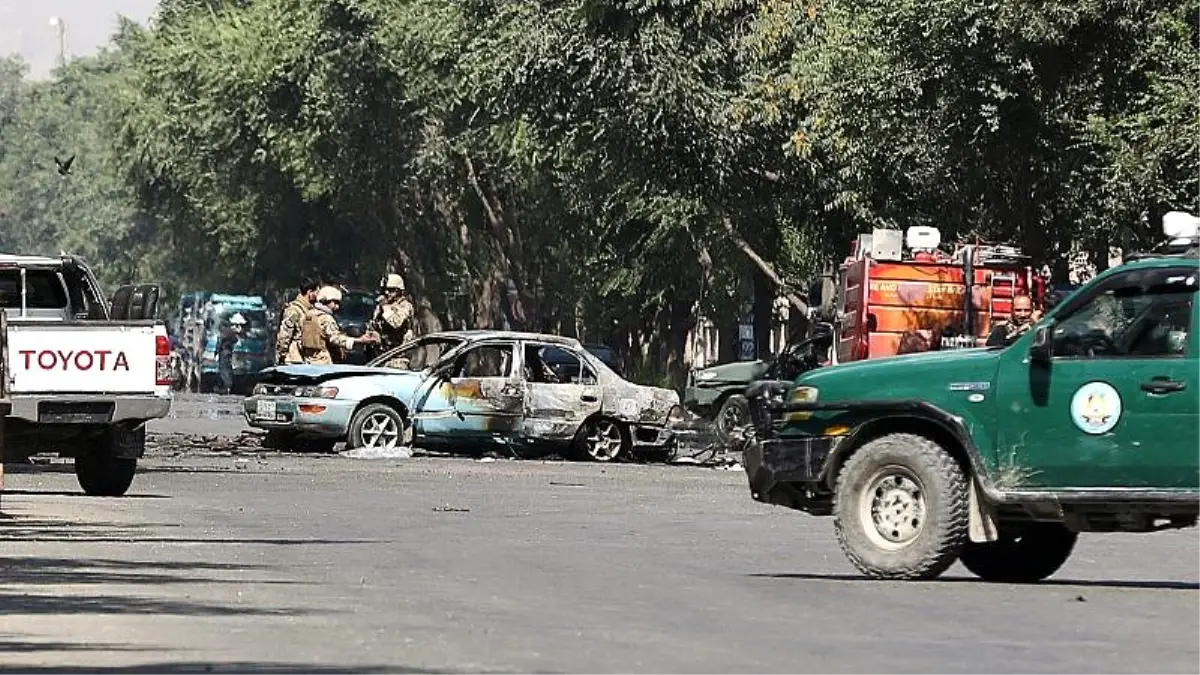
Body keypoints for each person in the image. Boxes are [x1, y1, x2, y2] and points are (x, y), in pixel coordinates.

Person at [302, 286, 377, 365]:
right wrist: (359, 340)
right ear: (325, 300)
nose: (337, 307)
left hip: (308, 360)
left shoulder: (308, 314)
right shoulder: (326, 318)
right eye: (335, 303)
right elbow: (335, 338)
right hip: (323, 362)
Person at [276, 277, 321, 365]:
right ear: (309, 292)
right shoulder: (294, 310)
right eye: (316, 292)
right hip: (294, 360)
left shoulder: (310, 310)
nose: (318, 295)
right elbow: (284, 335)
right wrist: (281, 355)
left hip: (307, 360)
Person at [370, 273, 416, 356]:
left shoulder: (405, 306)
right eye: (385, 290)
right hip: (380, 355)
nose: (387, 293)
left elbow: (396, 322)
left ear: (399, 291)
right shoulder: (381, 306)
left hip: (398, 356)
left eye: (391, 290)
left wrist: (385, 307)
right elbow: (373, 325)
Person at [217, 313, 245, 394]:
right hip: (225, 353)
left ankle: (227, 387)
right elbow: (221, 342)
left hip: (227, 353)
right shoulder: (229, 332)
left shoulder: (232, 333)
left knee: (226, 370)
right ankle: (226, 387)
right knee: (224, 370)